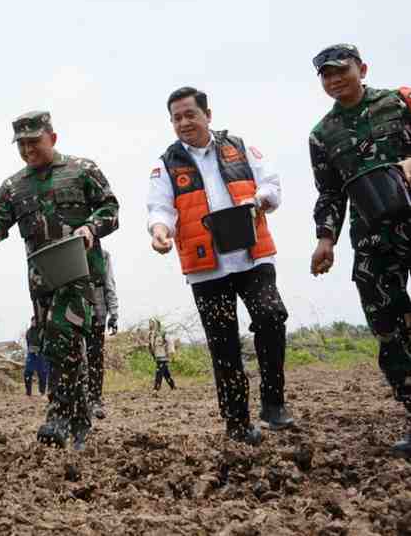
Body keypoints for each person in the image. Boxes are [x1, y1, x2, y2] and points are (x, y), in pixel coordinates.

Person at [0, 110, 119, 451]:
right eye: (22, 145)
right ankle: (79, 413)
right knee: (55, 344)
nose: (28, 151)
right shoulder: (14, 187)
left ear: (52, 138)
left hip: (81, 273)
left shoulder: (83, 171)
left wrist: (90, 227)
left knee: (63, 332)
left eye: (34, 143)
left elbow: (111, 210)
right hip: (42, 279)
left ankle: (60, 414)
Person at [148, 86, 292, 446]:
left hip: (253, 254)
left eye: (189, 115)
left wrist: (259, 200)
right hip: (205, 267)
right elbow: (160, 207)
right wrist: (160, 232)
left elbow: (271, 184)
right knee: (223, 346)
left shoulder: (239, 147)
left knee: (271, 316)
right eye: (176, 118)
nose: (183, 123)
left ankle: (273, 402)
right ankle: (238, 424)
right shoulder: (166, 164)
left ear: (207, 115)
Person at [308, 44, 411, 454]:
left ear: (362, 69)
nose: (334, 79)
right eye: (326, 75)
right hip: (371, 237)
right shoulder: (323, 134)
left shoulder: (399, 102)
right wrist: (325, 240)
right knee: (387, 325)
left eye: (341, 70)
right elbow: (330, 194)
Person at [87, 249, 119, 420]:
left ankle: (95, 399)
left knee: (95, 357)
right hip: (73, 313)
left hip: (97, 313)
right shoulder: (68, 252)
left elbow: (109, 284)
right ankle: (78, 399)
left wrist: (114, 314)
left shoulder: (103, 255)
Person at [24, 317, 49, 397]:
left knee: (42, 373)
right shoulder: (28, 332)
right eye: (32, 321)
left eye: (35, 321)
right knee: (27, 372)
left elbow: (44, 342)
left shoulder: (42, 330)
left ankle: (42, 392)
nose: (33, 322)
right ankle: (28, 392)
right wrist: (31, 351)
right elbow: (28, 342)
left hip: (41, 354)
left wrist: (41, 351)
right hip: (31, 354)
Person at [148, 318, 176, 391]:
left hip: (164, 356)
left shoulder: (163, 333)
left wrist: (171, 353)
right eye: (150, 323)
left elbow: (170, 342)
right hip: (157, 357)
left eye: (152, 323)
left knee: (159, 372)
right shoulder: (151, 334)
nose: (150, 324)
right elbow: (151, 346)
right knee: (166, 374)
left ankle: (156, 389)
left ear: (156, 324)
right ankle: (173, 386)